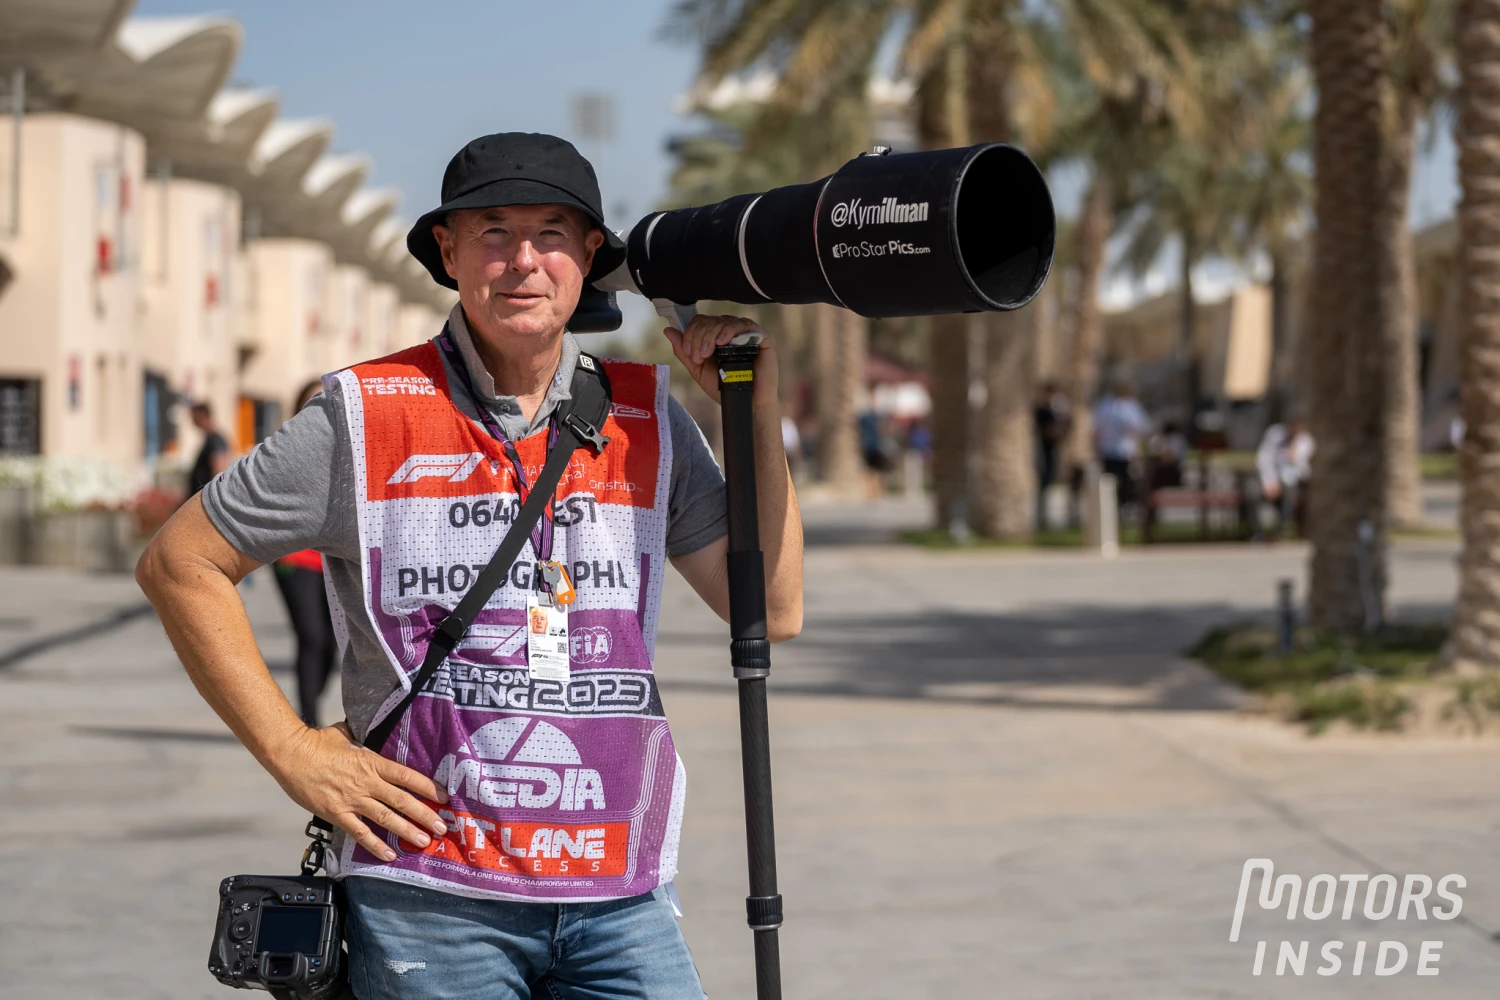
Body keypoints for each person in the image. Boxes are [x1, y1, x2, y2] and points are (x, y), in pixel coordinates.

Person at [136, 132, 804, 1000]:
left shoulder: (649, 417)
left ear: (589, 255)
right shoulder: (363, 414)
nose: (523, 260)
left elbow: (773, 607)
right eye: (493, 231)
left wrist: (755, 407)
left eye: (552, 232)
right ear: (448, 252)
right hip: (431, 897)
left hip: (620, 892)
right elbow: (180, 561)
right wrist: (292, 750)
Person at [273, 380, 339, 727]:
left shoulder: (348, 451)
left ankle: (311, 705)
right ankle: (308, 721)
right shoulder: (285, 450)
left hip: (332, 564)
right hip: (295, 560)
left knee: (331, 646)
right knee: (311, 636)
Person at [1092, 378, 1152, 509]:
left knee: (1127, 480)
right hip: (1108, 449)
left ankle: (1126, 504)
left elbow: (1142, 427)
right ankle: (1111, 507)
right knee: (1110, 480)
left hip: (1126, 450)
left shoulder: (1131, 406)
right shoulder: (1104, 405)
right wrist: (1096, 447)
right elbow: (1097, 428)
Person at [1255, 416, 1315, 540]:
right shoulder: (1275, 435)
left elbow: (1303, 469)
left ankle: (1282, 532)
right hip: (1273, 480)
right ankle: (1259, 534)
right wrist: (1270, 482)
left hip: (1295, 481)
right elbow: (1264, 459)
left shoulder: (1306, 441)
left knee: (1291, 495)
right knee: (1253, 494)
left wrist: (1295, 455)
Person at [187, 401, 229, 495]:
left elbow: (219, 472)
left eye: (193, 416)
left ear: (201, 416)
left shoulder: (215, 440)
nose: (192, 420)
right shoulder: (208, 440)